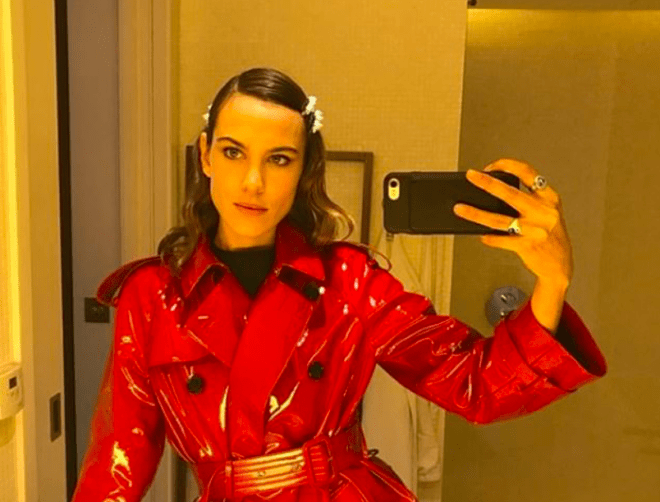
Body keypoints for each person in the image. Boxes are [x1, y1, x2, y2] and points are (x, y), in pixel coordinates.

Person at [71, 67, 607, 502]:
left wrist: (552, 279)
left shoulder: (350, 280)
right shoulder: (153, 295)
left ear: (304, 170)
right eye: (234, 152)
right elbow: (116, 466)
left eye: (279, 159)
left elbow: (477, 385)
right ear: (206, 154)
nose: (253, 182)